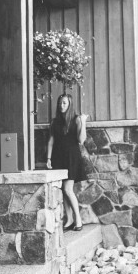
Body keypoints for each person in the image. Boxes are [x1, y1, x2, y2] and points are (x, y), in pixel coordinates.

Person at [46, 94, 88, 232]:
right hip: (58, 157)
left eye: (64, 103)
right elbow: (51, 141)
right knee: (64, 191)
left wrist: (83, 123)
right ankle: (69, 219)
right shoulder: (54, 122)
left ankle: (78, 219)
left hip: (71, 157)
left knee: (68, 190)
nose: (61, 105)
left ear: (69, 105)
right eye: (60, 103)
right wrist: (49, 158)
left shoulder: (76, 120)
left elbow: (81, 140)